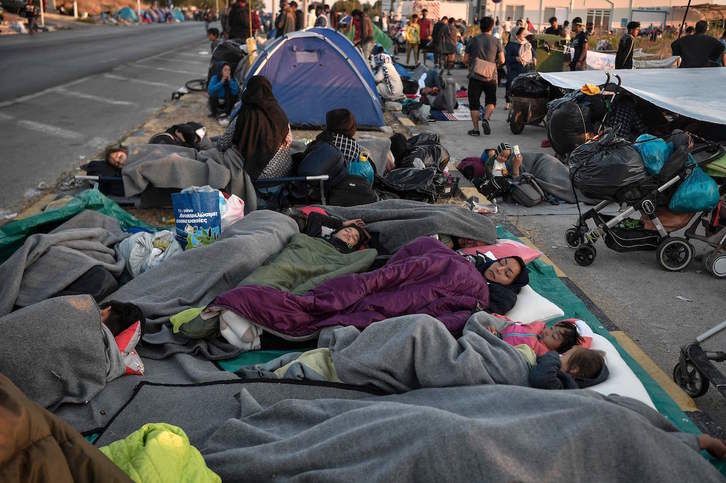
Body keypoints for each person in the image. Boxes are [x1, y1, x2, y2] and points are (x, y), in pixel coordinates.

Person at [231, 76, 292, 180]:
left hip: (261, 176)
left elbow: (222, 144)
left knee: (230, 153)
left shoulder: (244, 115)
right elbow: (289, 140)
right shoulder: (280, 113)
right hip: (284, 171)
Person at [464, 16, 504, 137]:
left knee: (474, 103)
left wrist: (471, 64)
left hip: (475, 76)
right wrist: (494, 64)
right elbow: (502, 60)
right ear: (492, 27)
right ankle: (486, 118)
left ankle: (476, 129)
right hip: (491, 76)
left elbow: (465, 59)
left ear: (480, 26)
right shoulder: (497, 41)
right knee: (491, 100)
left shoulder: (473, 40)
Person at [529, 346, 608, 390]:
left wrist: (553, 355)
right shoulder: (554, 373)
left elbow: (541, 378)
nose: (559, 355)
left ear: (574, 368)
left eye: (564, 355)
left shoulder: (564, 387)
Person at [495, 319, 583, 356]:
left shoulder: (543, 353)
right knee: (486, 317)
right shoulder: (537, 327)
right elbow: (518, 324)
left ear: (556, 349)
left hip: (501, 346)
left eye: (554, 336)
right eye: (551, 328)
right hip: (502, 327)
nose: (549, 332)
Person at [299, 212, 371, 253]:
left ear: (352, 246)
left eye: (354, 238)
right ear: (336, 232)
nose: (349, 234)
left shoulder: (347, 252)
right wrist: (341, 224)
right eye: (347, 230)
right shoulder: (317, 238)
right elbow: (315, 216)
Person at [504, 26, 535, 110]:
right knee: (511, 85)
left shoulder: (527, 44)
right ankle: (508, 102)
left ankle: (521, 103)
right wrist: (515, 58)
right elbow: (506, 58)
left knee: (524, 86)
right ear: (516, 35)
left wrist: (534, 58)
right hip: (514, 69)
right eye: (522, 34)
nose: (524, 36)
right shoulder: (510, 45)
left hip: (525, 68)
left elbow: (533, 53)